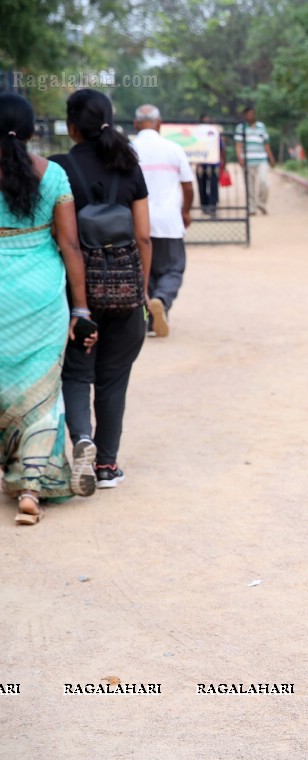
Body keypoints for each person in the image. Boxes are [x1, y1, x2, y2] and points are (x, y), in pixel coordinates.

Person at [0, 93, 97, 524]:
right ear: (31, 131)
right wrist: (81, 309)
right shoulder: (53, 174)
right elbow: (70, 245)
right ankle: (32, 488)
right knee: (42, 395)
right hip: (42, 296)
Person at [50, 89, 152, 491]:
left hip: (81, 296)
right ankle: (108, 465)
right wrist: (139, 290)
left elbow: (63, 237)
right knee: (113, 379)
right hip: (125, 291)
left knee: (77, 374)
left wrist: (79, 303)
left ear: (72, 127)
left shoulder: (60, 168)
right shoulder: (129, 166)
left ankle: (83, 441)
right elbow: (143, 237)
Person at [131, 104, 195, 338]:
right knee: (172, 268)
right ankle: (162, 300)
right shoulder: (173, 149)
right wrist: (186, 212)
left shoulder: (128, 149)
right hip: (168, 221)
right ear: (160, 123)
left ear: (136, 124)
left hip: (137, 222)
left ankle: (148, 319)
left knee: (143, 272)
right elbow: (187, 186)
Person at [234, 105, 274, 215]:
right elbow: (238, 145)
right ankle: (251, 207)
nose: (251, 116)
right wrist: (240, 157)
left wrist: (271, 158)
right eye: (249, 114)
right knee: (249, 185)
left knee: (264, 182)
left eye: (252, 114)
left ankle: (261, 203)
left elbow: (266, 144)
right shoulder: (240, 128)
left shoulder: (261, 127)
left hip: (261, 159)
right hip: (247, 160)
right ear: (245, 116)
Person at [196, 114, 225, 215]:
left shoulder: (215, 133)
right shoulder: (197, 134)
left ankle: (212, 206)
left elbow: (221, 149)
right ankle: (204, 206)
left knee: (213, 186)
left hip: (214, 164)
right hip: (201, 164)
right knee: (202, 185)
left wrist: (223, 163)